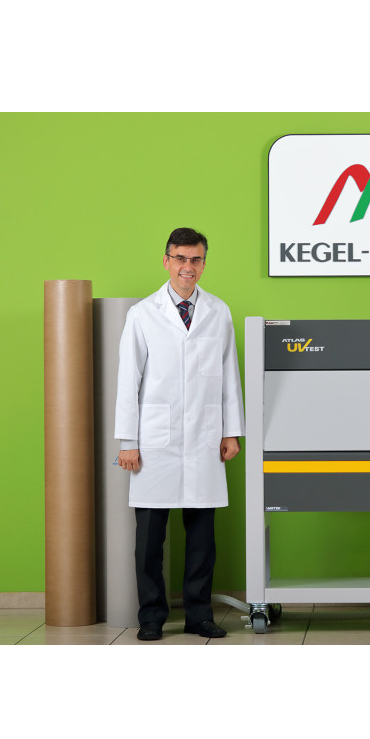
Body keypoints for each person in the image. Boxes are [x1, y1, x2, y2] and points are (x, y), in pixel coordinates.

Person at [114, 227, 245, 641]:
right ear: (167, 261)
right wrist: (128, 442)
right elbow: (128, 381)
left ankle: (199, 615)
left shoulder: (218, 311)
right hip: (155, 439)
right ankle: (152, 617)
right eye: (181, 258)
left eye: (196, 259)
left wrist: (231, 431)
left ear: (203, 263)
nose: (188, 267)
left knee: (202, 539)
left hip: (204, 438)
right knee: (150, 540)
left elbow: (228, 375)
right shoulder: (142, 314)